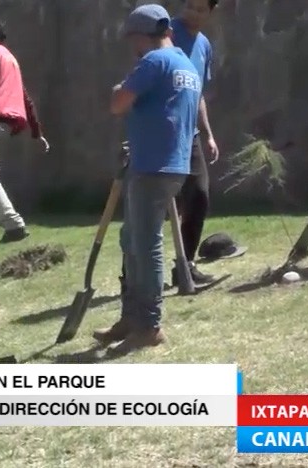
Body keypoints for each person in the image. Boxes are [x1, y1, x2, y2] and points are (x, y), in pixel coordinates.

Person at [94, 4, 201, 354]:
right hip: (172, 163)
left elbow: (118, 103)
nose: (132, 46)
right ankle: (132, 317)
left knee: (146, 244)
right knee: (132, 240)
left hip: (153, 165)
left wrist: (119, 86)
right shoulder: (186, 64)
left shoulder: (153, 61)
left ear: (142, 35)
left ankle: (150, 324)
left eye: (133, 39)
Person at [0, 18, 50, 243]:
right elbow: (25, 97)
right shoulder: (10, 60)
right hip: (7, 123)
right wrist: (37, 132)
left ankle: (12, 223)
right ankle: (8, 223)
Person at [168, 0, 220, 284]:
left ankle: (185, 266)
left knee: (199, 196)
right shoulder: (167, 34)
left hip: (192, 137)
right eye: (190, 6)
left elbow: (197, 94)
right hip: (165, 134)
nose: (194, 14)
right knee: (163, 205)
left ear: (211, 12)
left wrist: (208, 133)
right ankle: (134, 275)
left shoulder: (204, 45)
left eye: (201, 9)